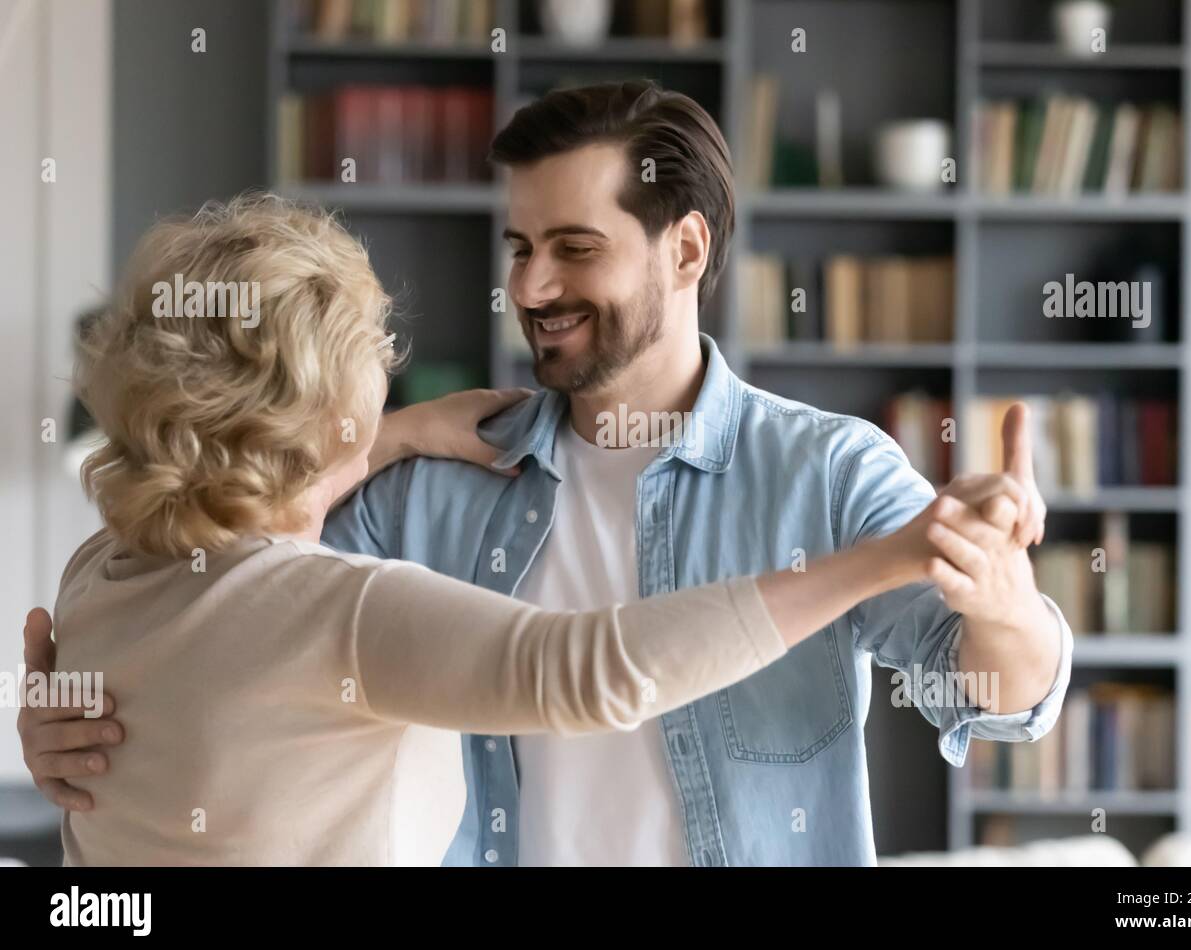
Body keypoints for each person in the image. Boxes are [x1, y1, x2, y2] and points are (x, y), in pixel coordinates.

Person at [22, 82, 1072, 867]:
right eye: (518, 244)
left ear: (687, 249)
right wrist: (79, 713)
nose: (530, 284)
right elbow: (218, 585)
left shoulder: (828, 470)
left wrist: (1007, 607)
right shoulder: (437, 473)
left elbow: (995, 698)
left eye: (573, 246)